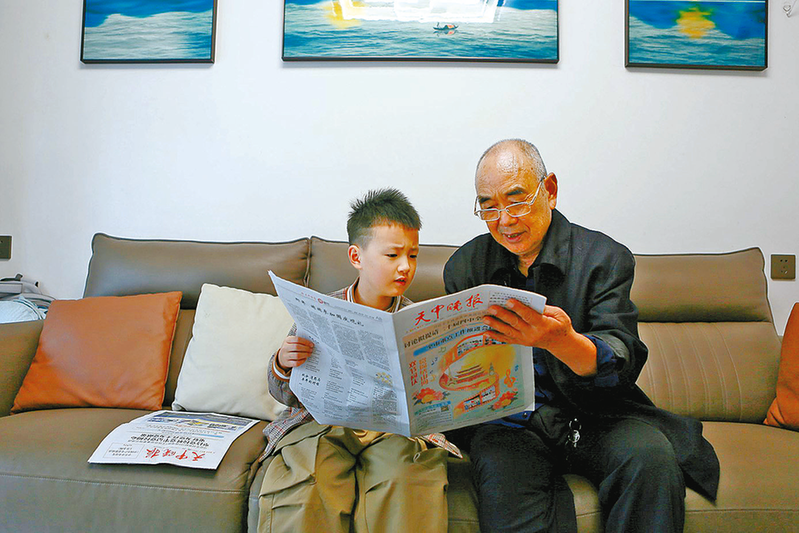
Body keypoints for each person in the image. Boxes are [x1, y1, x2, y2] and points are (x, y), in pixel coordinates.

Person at [443, 139, 719, 532]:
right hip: (509, 425)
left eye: (516, 201)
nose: (504, 220)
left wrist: (559, 341)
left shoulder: (604, 258)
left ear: (550, 190)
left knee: (650, 459)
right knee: (505, 490)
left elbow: (620, 357)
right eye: (488, 207)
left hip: (593, 414)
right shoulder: (466, 266)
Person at [258, 188, 455, 533]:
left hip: (394, 431)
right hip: (323, 425)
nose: (405, 266)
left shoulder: (419, 322)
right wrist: (283, 362)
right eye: (392, 255)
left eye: (413, 255)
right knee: (308, 481)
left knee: (406, 480)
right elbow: (283, 394)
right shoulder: (319, 311)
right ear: (356, 256)